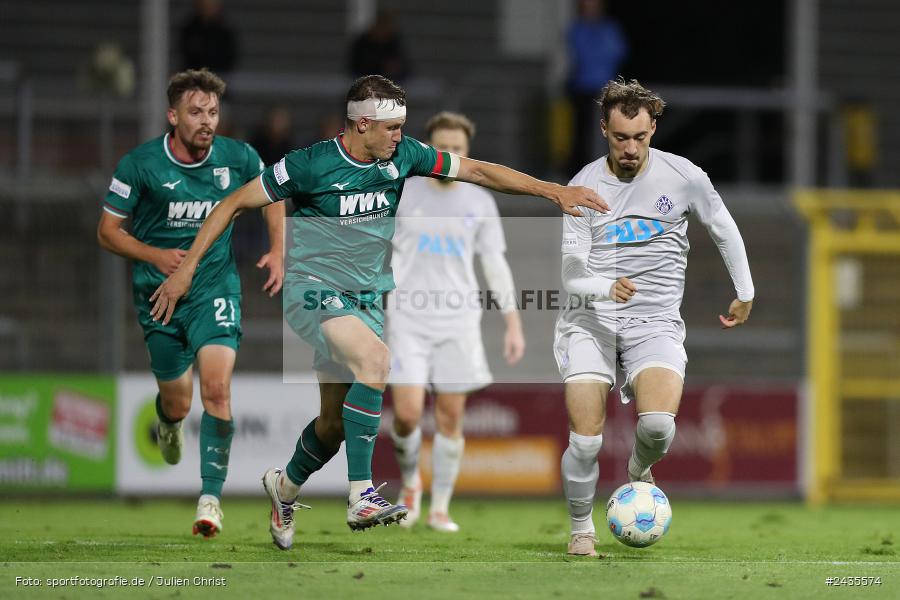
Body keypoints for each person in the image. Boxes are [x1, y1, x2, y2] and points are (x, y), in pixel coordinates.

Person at [147, 75, 607, 551]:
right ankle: (362, 494)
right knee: (377, 360)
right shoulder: (309, 165)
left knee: (331, 427)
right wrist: (187, 271)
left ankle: (283, 489)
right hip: (313, 290)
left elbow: (477, 171)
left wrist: (552, 191)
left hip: (365, 300)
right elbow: (232, 203)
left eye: (401, 126)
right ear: (362, 123)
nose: (399, 136)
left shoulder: (404, 155)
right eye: (391, 127)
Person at [554, 79, 754, 556]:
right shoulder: (582, 186)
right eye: (620, 137)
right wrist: (604, 286)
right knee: (586, 442)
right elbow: (571, 272)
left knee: (659, 427)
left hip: (654, 321)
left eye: (639, 137)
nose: (630, 148)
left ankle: (638, 469)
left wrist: (745, 292)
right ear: (604, 130)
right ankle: (581, 529)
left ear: (653, 130)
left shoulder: (683, 175)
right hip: (590, 320)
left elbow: (722, 227)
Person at [97, 69, 284, 538]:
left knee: (216, 390)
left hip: (214, 288)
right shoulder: (140, 165)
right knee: (178, 402)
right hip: (160, 295)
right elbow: (107, 232)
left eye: (213, 112)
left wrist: (279, 248)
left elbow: (274, 194)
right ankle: (169, 421)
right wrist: (154, 254)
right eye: (196, 112)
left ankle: (210, 500)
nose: (207, 121)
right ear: (172, 116)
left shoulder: (238, 157)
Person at [387, 112, 526, 532]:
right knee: (407, 414)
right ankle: (410, 485)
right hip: (407, 316)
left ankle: (441, 507)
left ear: (468, 151)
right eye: (442, 147)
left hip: (459, 320)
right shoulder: (402, 191)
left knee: (450, 416)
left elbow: (494, 264)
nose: (450, 154)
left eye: (458, 148)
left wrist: (512, 321)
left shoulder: (479, 201)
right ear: (428, 149)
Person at [566, 0, 628, 177]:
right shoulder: (577, 29)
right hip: (583, 89)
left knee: (610, 130)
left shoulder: (609, 29)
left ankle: (610, 169)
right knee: (582, 133)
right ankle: (580, 171)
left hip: (607, 89)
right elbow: (578, 53)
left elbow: (619, 52)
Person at [348, 10, 411, 83]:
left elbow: (405, 66)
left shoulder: (394, 42)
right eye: (382, 26)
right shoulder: (363, 42)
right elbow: (355, 66)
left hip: (391, 80)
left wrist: (396, 68)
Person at [179, 0, 238, 75]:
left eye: (211, 6)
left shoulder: (225, 29)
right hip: (195, 73)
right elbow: (185, 52)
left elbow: (230, 55)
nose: (207, 8)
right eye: (205, 5)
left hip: (219, 73)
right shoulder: (190, 28)